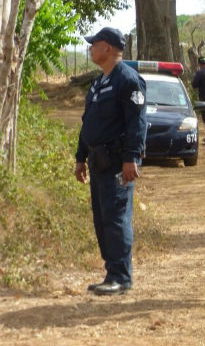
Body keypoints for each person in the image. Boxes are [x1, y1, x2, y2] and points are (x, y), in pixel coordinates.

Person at [74, 27, 147, 296]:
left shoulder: (128, 80)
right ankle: (111, 272)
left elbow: (137, 123)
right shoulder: (98, 83)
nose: (91, 48)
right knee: (102, 218)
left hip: (117, 162)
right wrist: (80, 157)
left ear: (107, 48)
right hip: (97, 161)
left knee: (116, 218)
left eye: (94, 44)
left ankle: (121, 276)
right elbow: (87, 123)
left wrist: (131, 158)